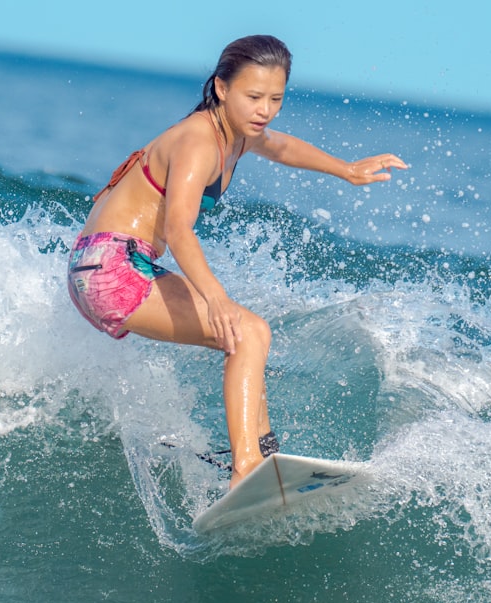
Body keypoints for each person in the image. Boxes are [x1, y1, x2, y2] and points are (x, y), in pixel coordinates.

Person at [67, 35, 407, 488]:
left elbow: (281, 148)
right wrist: (217, 296)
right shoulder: (200, 142)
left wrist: (346, 170)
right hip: (114, 269)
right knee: (247, 331)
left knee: (248, 336)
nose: (264, 110)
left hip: (98, 267)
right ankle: (247, 468)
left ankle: (263, 455)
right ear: (222, 88)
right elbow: (178, 229)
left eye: (275, 99)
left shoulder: (236, 135)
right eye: (253, 97)